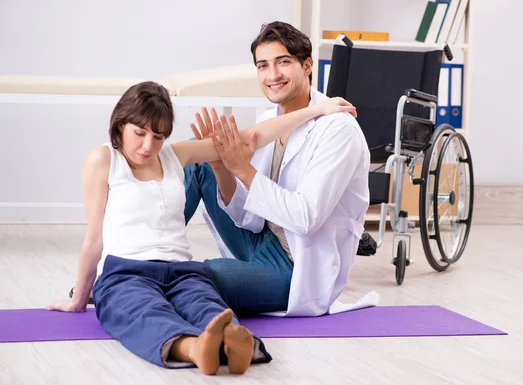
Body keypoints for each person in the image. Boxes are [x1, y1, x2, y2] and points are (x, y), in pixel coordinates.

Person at [47, 80, 356, 375]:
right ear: (120, 125)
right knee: (141, 311)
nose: (147, 146)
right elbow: (93, 238)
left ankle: (232, 341)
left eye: (158, 136)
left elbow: (250, 138)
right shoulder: (104, 159)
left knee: (207, 306)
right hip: (127, 271)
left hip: (182, 271)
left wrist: (318, 109)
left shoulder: (174, 155)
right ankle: (197, 349)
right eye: (139, 133)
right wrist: (79, 298)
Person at [183, 21, 372, 317]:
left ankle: (146, 277)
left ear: (306, 65)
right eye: (263, 66)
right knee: (200, 155)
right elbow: (248, 217)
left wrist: (242, 169)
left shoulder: (338, 130)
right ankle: (147, 254)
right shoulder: (268, 120)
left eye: (283, 62)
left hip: (295, 264)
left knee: (203, 275)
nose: (272, 76)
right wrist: (221, 169)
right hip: (258, 238)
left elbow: (305, 217)